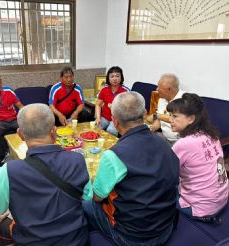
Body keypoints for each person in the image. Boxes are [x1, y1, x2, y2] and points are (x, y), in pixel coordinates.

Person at [0, 103, 92, 245]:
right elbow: (87, 198)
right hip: (77, 241)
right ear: (54, 132)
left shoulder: (9, 171)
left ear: (20, 135)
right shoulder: (77, 160)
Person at [83, 92, 179, 246]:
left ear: (114, 121)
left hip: (132, 237)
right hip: (166, 227)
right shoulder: (164, 144)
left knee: (85, 202)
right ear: (145, 113)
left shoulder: (114, 155)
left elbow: (97, 198)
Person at [167, 93, 228, 219]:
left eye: (175, 116)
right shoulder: (212, 135)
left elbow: (166, 175)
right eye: (170, 115)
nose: (170, 120)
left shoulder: (183, 144)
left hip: (201, 209)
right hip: (222, 200)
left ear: (191, 119)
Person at [147, 73, 185, 145]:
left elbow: (176, 120)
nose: (157, 89)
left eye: (159, 87)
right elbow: (159, 119)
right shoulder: (162, 98)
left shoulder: (184, 99)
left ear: (169, 89)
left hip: (180, 141)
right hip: (165, 137)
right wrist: (151, 129)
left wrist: (157, 116)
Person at [95, 66, 129, 136]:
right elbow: (98, 105)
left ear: (121, 78)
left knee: (110, 131)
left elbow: (128, 110)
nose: (115, 78)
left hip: (118, 120)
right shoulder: (104, 90)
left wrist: (115, 107)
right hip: (105, 117)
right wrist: (98, 118)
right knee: (95, 128)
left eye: (117, 76)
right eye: (112, 76)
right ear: (108, 78)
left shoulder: (126, 91)